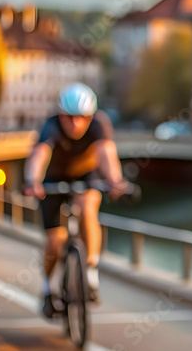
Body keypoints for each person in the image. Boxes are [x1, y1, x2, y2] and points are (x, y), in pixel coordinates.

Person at [23, 82, 126, 318]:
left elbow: (106, 152)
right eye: (69, 118)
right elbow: (39, 154)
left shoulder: (100, 124)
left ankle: (90, 274)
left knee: (88, 209)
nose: (75, 124)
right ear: (61, 115)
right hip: (52, 179)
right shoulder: (50, 126)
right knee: (54, 241)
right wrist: (32, 181)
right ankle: (48, 288)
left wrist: (115, 180)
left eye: (82, 118)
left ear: (91, 116)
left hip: (85, 176)